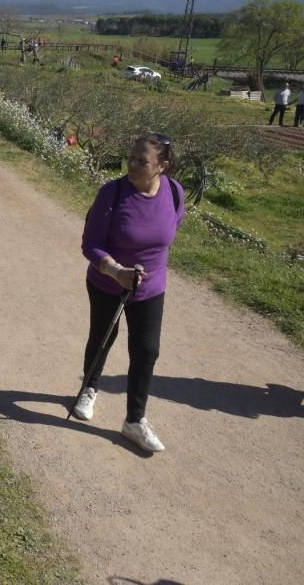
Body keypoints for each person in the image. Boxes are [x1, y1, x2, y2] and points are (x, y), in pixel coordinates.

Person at [76, 132, 185, 453]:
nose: (133, 164)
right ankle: (89, 387)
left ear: (162, 166)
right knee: (102, 337)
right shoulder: (112, 193)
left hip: (151, 287)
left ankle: (134, 420)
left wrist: (145, 270)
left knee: (147, 350)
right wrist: (117, 271)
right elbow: (90, 245)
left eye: (143, 161)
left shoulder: (174, 192)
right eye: (132, 157)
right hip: (108, 281)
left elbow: (171, 228)